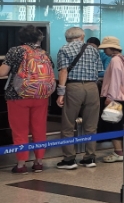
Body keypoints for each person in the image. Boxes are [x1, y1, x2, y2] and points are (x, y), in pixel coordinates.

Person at [0, 25, 53, 173]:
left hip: (18, 96)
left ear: (21, 37)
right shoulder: (44, 53)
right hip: (41, 96)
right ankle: (38, 162)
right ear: (38, 38)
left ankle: (21, 164)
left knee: (20, 131)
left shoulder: (16, 51)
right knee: (39, 129)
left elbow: (3, 71)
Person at [55, 26, 104, 169]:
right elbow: (99, 70)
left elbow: (63, 71)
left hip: (74, 87)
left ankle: (69, 159)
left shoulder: (64, 49)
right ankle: (90, 158)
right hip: (92, 87)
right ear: (82, 36)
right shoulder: (93, 49)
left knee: (68, 125)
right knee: (91, 125)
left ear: (67, 38)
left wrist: (61, 93)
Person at [97, 36, 124, 163]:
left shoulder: (115, 61)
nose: (104, 51)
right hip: (123, 98)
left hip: (115, 99)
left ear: (110, 48)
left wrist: (110, 97)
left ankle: (118, 152)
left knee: (113, 126)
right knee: (119, 125)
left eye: (105, 48)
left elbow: (115, 80)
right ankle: (122, 151)